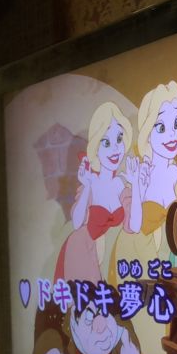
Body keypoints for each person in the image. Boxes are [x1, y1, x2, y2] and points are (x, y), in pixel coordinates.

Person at [107, 81, 177, 286]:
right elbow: (135, 225)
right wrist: (137, 186)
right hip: (135, 259)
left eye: (176, 124)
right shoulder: (142, 173)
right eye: (161, 127)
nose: (171, 135)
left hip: (167, 261)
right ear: (148, 134)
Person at [54, 102, 144, 283]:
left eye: (119, 139)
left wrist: (136, 185)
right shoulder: (91, 182)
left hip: (105, 259)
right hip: (80, 250)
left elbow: (135, 226)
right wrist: (87, 186)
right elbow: (77, 223)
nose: (115, 149)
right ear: (96, 147)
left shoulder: (120, 184)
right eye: (106, 142)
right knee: (89, 299)